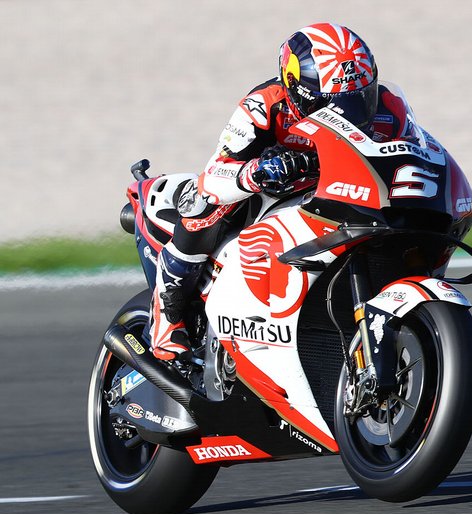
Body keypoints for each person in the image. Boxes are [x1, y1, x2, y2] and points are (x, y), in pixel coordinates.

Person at [149, 22, 419, 361]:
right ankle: (166, 320)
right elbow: (215, 174)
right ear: (296, 89)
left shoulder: (389, 107)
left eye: (358, 99)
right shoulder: (264, 105)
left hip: (344, 195)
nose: (348, 114)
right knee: (202, 203)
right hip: (269, 196)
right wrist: (257, 172)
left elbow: (411, 153)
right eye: (332, 103)